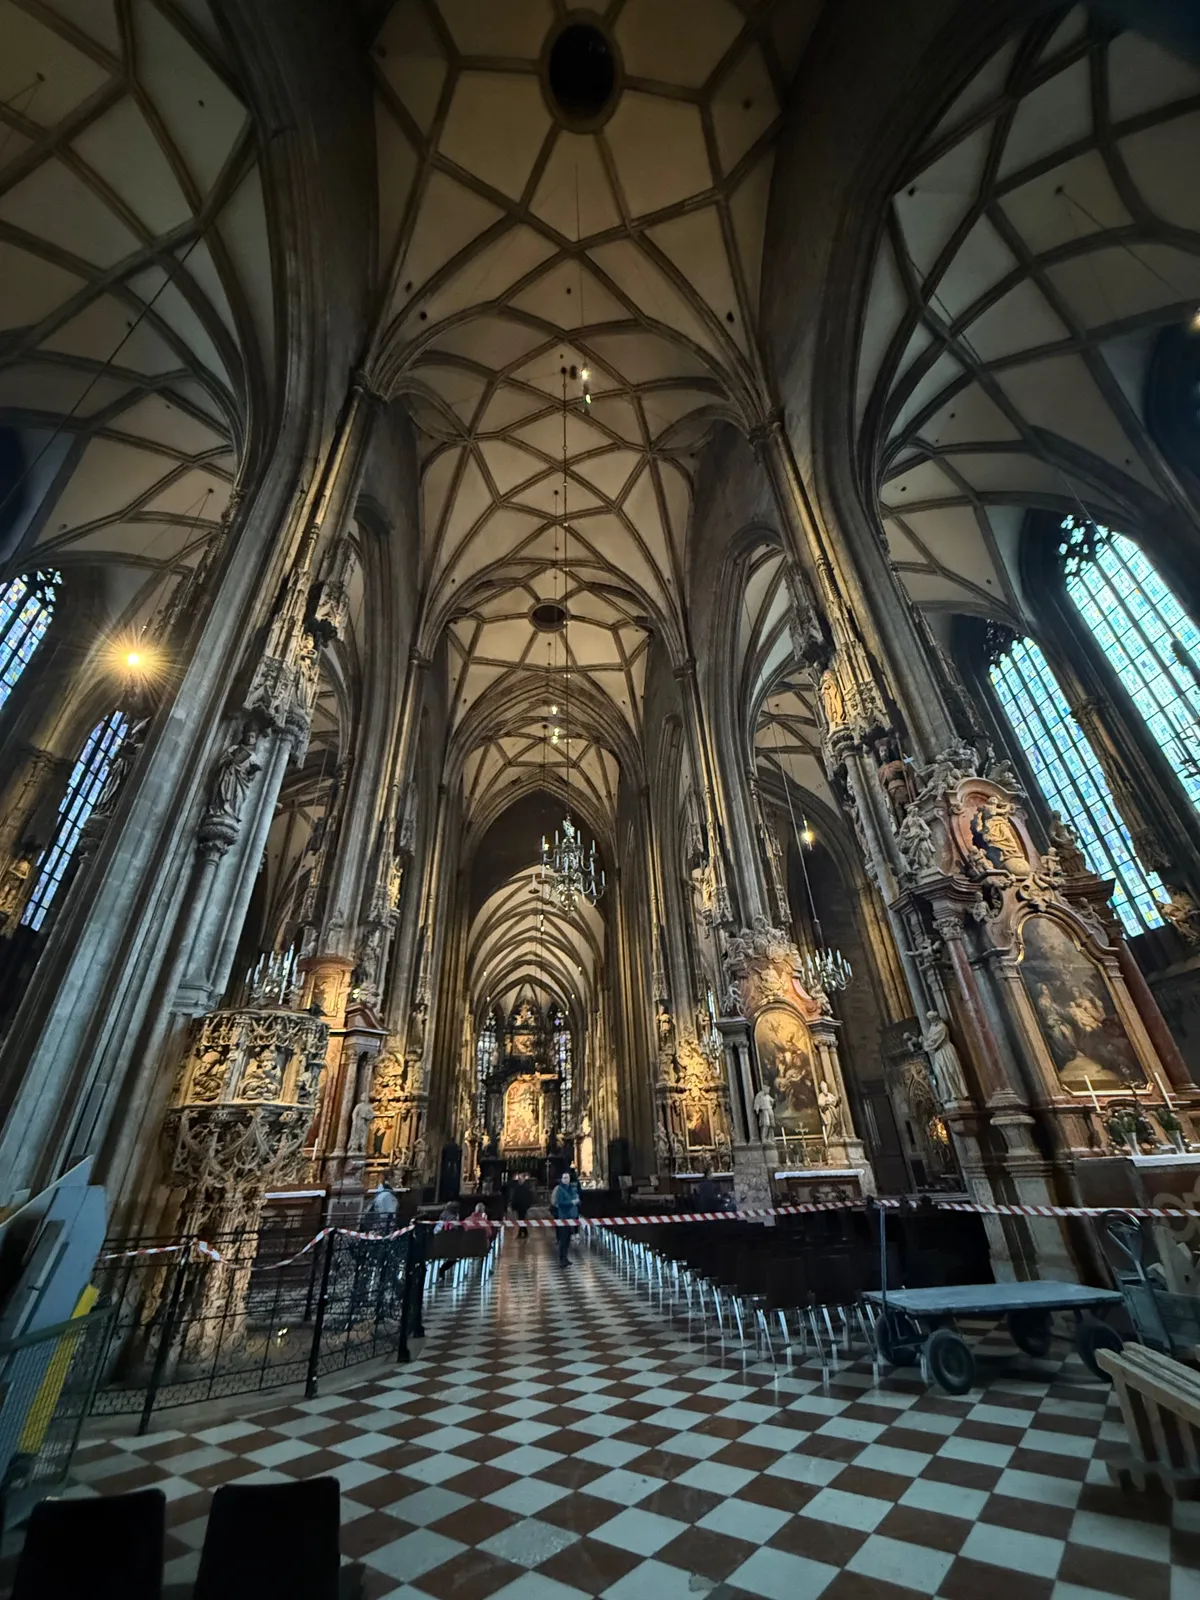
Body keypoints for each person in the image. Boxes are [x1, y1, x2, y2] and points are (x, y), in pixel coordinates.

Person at [550, 1166, 581, 1267]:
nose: (566, 1180)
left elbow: (576, 1196)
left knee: (567, 1238)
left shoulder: (571, 1188)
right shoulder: (560, 1190)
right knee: (563, 1238)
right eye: (564, 1178)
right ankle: (561, 1258)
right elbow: (560, 1203)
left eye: (567, 1178)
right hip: (563, 1216)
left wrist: (577, 1200)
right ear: (562, 1179)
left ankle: (565, 1257)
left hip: (571, 1216)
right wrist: (571, 1202)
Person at [510, 1172, 533, 1239]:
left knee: (521, 1220)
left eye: (520, 1178)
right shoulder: (517, 1186)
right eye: (519, 1178)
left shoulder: (526, 1187)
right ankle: (523, 1233)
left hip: (523, 1206)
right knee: (521, 1220)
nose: (519, 1180)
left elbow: (529, 1197)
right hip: (518, 1206)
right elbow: (515, 1196)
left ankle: (522, 1233)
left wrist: (528, 1204)